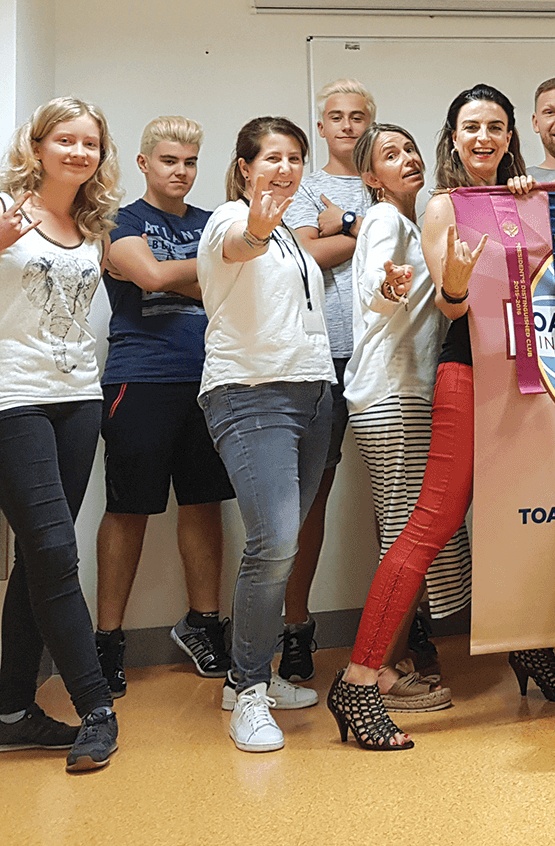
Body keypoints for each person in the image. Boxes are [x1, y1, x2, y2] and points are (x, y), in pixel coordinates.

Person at [327, 84, 555, 752]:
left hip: (528, 376)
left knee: (520, 516)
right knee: (430, 524)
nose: (484, 138)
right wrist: (460, 282)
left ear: (509, 135)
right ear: (455, 136)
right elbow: (452, 306)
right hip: (469, 372)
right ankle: (358, 678)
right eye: (472, 127)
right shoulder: (443, 205)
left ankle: (528, 648)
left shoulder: (521, 199)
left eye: (496, 126)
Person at [0, 95, 122, 771]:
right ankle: (98, 707)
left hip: (77, 401)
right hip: (9, 404)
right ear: (36, 146)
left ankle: (12, 713)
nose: (77, 151)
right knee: (55, 553)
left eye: (89, 143)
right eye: (64, 139)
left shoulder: (93, 224)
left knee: (42, 562)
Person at [197, 116, 332, 751]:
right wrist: (255, 225)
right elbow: (238, 245)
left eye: (294, 158)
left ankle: (255, 674)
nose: (284, 168)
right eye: (272, 158)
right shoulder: (229, 218)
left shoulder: (295, 242)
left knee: (285, 543)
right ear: (246, 166)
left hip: (311, 395)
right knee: (273, 541)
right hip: (250, 394)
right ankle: (247, 687)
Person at [93, 116, 234, 696]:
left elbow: (229, 283)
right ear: (146, 164)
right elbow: (148, 273)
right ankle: (106, 642)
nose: (181, 171)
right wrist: (206, 271)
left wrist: (170, 277)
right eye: (170, 161)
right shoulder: (118, 221)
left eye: (191, 162)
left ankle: (203, 624)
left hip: (211, 381)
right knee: (131, 508)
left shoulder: (212, 222)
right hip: (140, 381)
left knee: (204, 503)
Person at [343, 121, 458, 712]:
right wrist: (389, 287)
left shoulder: (419, 221)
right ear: (372, 178)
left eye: (410, 149)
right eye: (391, 154)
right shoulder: (386, 219)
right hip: (391, 391)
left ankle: (393, 658)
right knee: (405, 534)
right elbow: (373, 291)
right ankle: (378, 672)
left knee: (407, 528)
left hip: (404, 391)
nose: (407, 159)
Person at [279, 78, 375, 682]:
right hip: (328, 356)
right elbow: (304, 255)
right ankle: (296, 628)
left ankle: (409, 622)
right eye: (335, 116)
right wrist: (363, 228)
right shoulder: (303, 185)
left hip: (390, 355)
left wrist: (341, 225)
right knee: (311, 495)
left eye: (357, 115)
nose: (346, 125)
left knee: (399, 495)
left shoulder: (389, 173)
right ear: (321, 127)